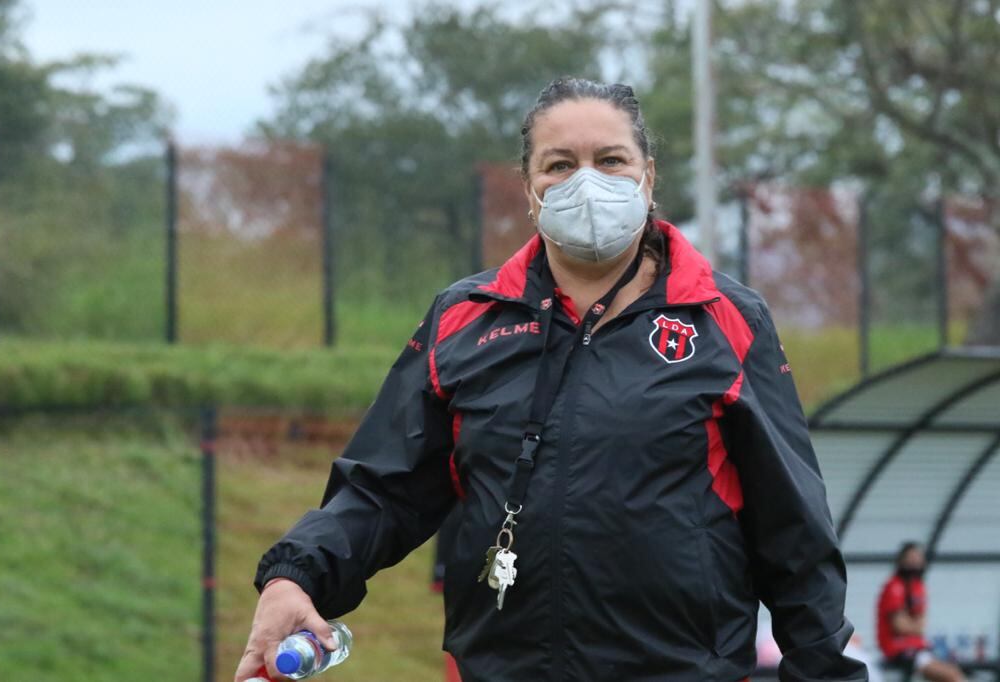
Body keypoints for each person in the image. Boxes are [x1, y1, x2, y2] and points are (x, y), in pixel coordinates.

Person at [234, 77, 868, 681]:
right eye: (560, 164)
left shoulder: (727, 320)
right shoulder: (464, 320)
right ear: (529, 186)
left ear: (648, 177)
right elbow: (382, 492)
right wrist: (297, 574)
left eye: (611, 160)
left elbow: (794, 534)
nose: (586, 181)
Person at [877, 542, 965, 681]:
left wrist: (911, 623)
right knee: (951, 676)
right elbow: (900, 626)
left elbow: (921, 626)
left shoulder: (918, 586)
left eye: (918, 558)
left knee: (955, 671)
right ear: (902, 560)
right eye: (911, 558)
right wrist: (912, 625)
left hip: (918, 647)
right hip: (898, 649)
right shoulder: (894, 586)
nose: (915, 562)